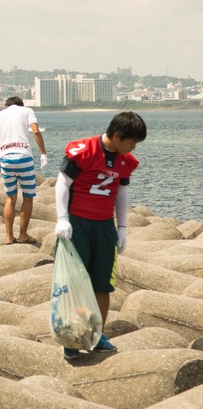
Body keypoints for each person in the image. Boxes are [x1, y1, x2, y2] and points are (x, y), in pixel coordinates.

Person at [54, 112, 146, 360]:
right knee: (74, 282)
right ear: (116, 135)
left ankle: (97, 334)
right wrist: (62, 219)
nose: (133, 148)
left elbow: (121, 193)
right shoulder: (83, 150)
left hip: (104, 225)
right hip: (77, 222)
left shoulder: (126, 161)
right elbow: (62, 183)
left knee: (103, 285)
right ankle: (71, 336)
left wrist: (122, 227)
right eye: (131, 142)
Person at [0, 96, 48, 245]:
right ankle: (23, 235)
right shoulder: (27, 111)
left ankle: (9, 237)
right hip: (24, 157)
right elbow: (35, 131)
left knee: (11, 198)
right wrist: (43, 153)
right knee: (28, 197)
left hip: (6, 159)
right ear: (21, 106)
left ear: (6, 106)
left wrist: (1, 159)